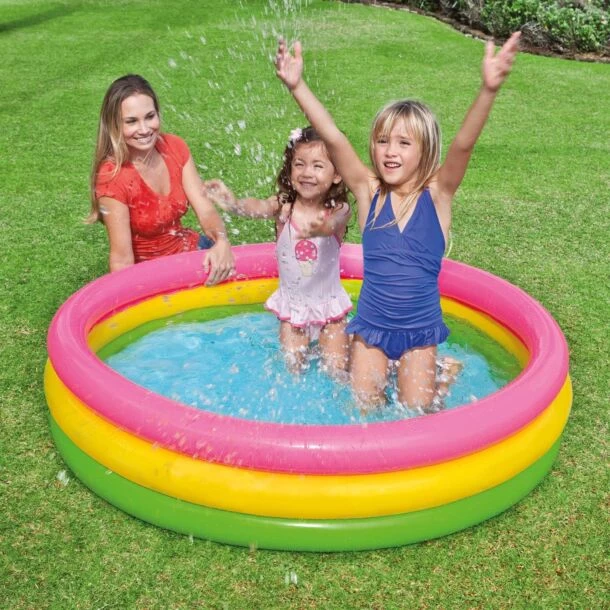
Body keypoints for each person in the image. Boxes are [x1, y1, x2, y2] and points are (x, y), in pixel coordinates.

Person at [274, 32, 520, 411]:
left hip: (418, 335)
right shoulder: (368, 191)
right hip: (371, 331)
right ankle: (415, 372)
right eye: (383, 141)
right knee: (365, 410)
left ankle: (444, 371)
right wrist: (297, 86)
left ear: (425, 149)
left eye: (404, 143)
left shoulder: (438, 194)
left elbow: (463, 145)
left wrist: (488, 89)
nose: (390, 152)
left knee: (417, 413)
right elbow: (333, 137)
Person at [204, 126, 353, 375]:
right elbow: (258, 206)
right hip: (292, 311)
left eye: (318, 166)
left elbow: (334, 224)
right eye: (299, 164)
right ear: (290, 168)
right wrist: (234, 204)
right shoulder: (284, 206)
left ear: (337, 174)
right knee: (292, 370)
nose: (307, 173)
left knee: (337, 371)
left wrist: (322, 228)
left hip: (330, 312)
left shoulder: (338, 209)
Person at [87, 74, 234, 285]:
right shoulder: (112, 177)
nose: (144, 129)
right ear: (114, 126)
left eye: (150, 116)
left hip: (193, 251)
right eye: (131, 121)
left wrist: (221, 240)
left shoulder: (174, 147)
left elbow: (206, 211)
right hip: (150, 275)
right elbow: (122, 260)